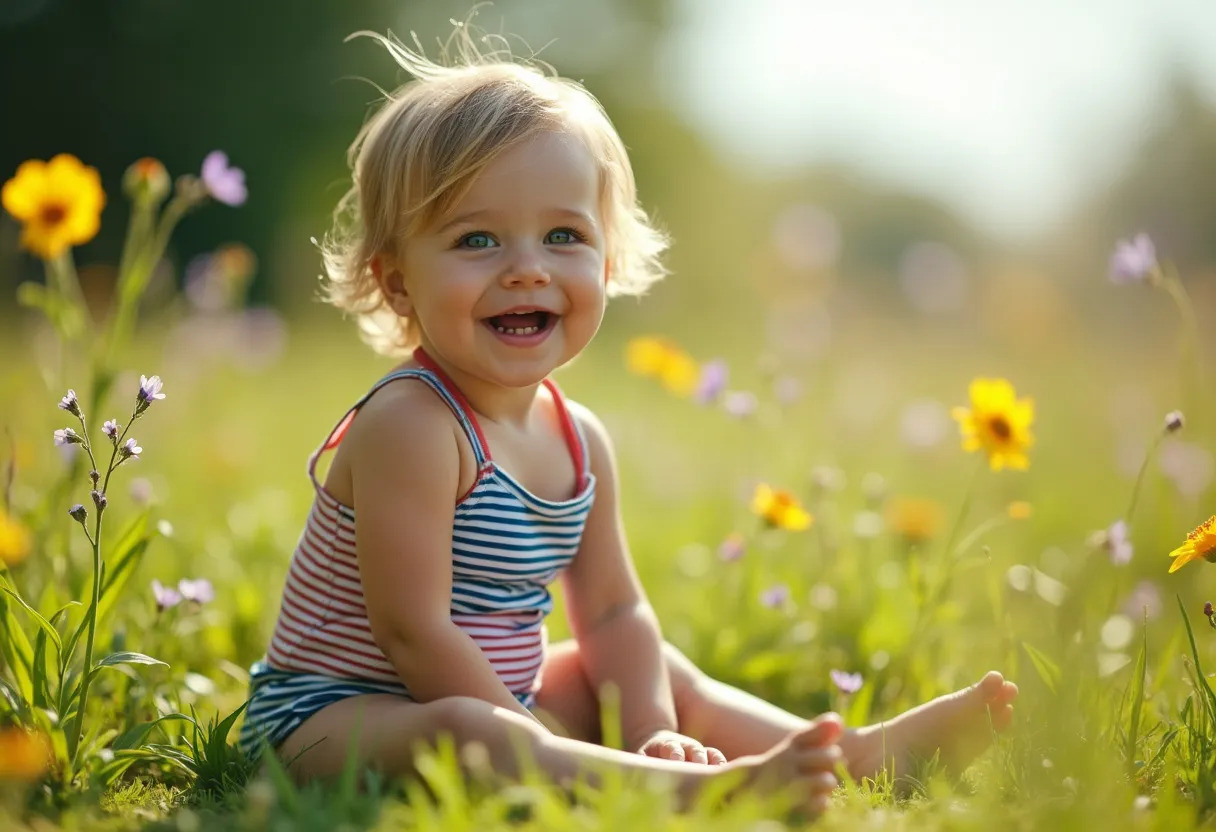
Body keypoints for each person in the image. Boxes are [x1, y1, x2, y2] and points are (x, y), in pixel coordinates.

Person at [236, 27, 1018, 816]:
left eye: (564, 236)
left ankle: (858, 754)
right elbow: (413, 635)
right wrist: (529, 735)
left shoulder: (580, 443)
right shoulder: (412, 422)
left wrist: (649, 724)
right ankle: (699, 793)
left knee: (657, 671)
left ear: (607, 264)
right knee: (478, 732)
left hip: (495, 697)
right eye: (477, 239)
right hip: (330, 720)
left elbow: (613, 612)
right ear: (398, 283)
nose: (527, 267)